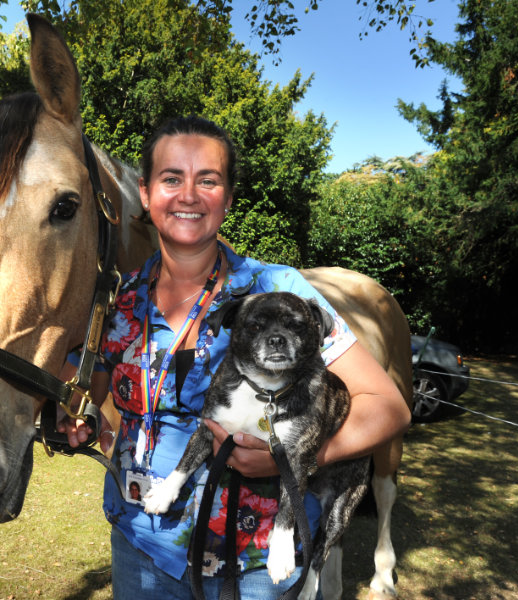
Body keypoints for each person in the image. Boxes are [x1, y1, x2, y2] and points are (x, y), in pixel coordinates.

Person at [58, 116, 410, 599]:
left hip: (258, 566)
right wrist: (73, 414)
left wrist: (293, 460)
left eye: (208, 180)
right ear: (145, 193)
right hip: (139, 545)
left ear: (227, 197)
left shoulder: (277, 289)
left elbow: (388, 406)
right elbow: (87, 396)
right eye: (171, 178)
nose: (188, 195)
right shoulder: (117, 300)